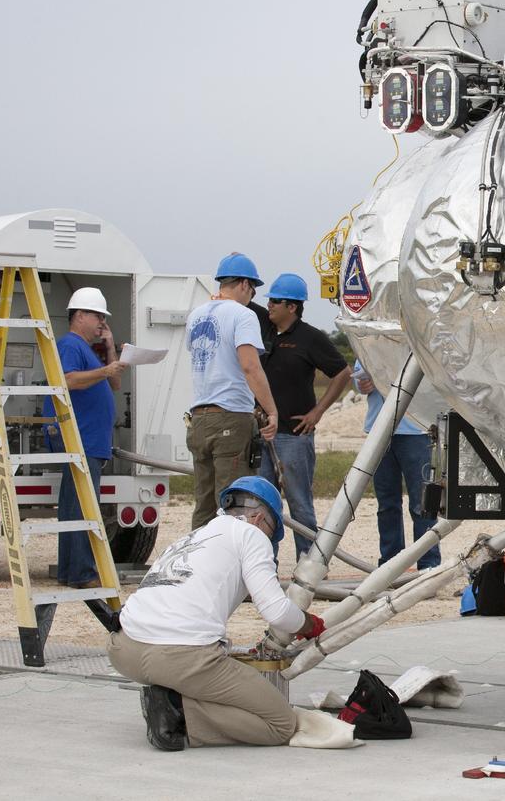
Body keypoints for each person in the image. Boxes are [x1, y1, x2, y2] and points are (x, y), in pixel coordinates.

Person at [107, 477, 325, 751]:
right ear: (258, 518)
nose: (270, 540)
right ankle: (176, 712)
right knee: (280, 724)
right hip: (177, 655)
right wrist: (308, 624)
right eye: (272, 532)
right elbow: (276, 611)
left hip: (124, 648)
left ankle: (169, 694)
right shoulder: (251, 535)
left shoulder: (195, 535)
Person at [257, 273, 352, 558]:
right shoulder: (265, 333)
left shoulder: (310, 338)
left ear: (292, 307)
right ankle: (264, 562)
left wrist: (317, 412)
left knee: (299, 503)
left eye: (276, 301)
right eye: (269, 301)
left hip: (293, 436)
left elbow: (342, 372)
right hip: (262, 434)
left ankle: (308, 561)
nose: (270, 306)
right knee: (262, 502)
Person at [186, 253, 279, 529]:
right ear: (243, 284)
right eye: (253, 288)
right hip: (230, 417)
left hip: (199, 419)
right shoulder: (243, 315)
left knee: (204, 505)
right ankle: (230, 570)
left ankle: (199, 567)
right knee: (233, 504)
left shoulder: (196, 315)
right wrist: (271, 410)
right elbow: (250, 367)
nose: (252, 295)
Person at [44, 287, 127, 589]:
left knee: (74, 506)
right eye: (97, 316)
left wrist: (109, 348)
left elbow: (115, 381)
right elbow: (66, 380)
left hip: (89, 441)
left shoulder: (89, 351)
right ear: (79, 315)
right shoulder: (70, 345)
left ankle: (71, 571)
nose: (101, 323)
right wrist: (105, 368)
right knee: (81, 507)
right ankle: (80, 572)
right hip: (80, 439)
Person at [353, 361, 439, 569]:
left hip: (415, 431)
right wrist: (362, 385)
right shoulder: (371, 336)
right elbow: (359, 377)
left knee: (422, 504)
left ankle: (427, 565)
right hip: (379, 429)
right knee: (387, 504)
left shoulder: (415, 337)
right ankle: (390, 564)